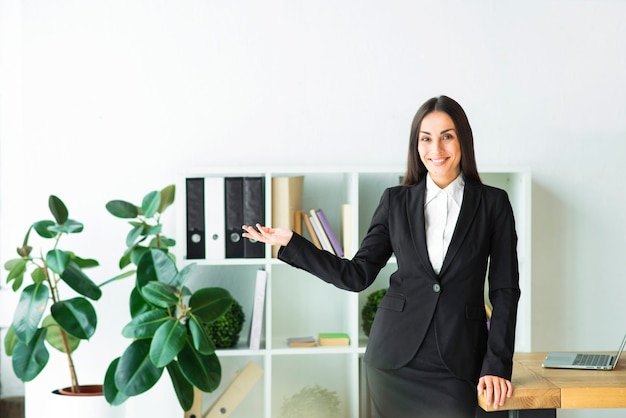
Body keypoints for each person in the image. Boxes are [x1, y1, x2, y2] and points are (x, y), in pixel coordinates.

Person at [242, 95, 520, 418]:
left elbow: (505, 291)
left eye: (447, 136)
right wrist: (292, 243)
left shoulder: (493, 204)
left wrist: (498, 363)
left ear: (463, 140)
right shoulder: (395, 202)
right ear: (416, 146)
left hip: (459, 361)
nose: (436, 149)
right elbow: (357, 274)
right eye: (426, 139)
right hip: (392, 360)